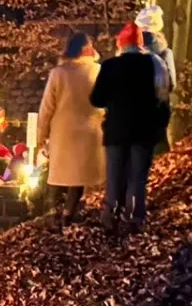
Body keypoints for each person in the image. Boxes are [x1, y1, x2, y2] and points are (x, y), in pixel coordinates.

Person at [89, 23, 167, 232]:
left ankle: (111, 213)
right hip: (144, 127)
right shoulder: (155, 62)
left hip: (116, 127)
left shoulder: (110, 66)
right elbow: (162, 92)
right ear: (140, 43)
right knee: (138, 174)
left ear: (121, 44)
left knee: (114, 173)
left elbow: (96, 98)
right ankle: (134, 216)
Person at [38, 32, 105, 226]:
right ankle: (68, 213)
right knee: (79, 177)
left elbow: (47, 107)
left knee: (57, 175)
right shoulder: (98, 72)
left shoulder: (59, 73)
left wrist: (42, 135)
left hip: (63, 133)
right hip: (91, 132)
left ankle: (51, 214)